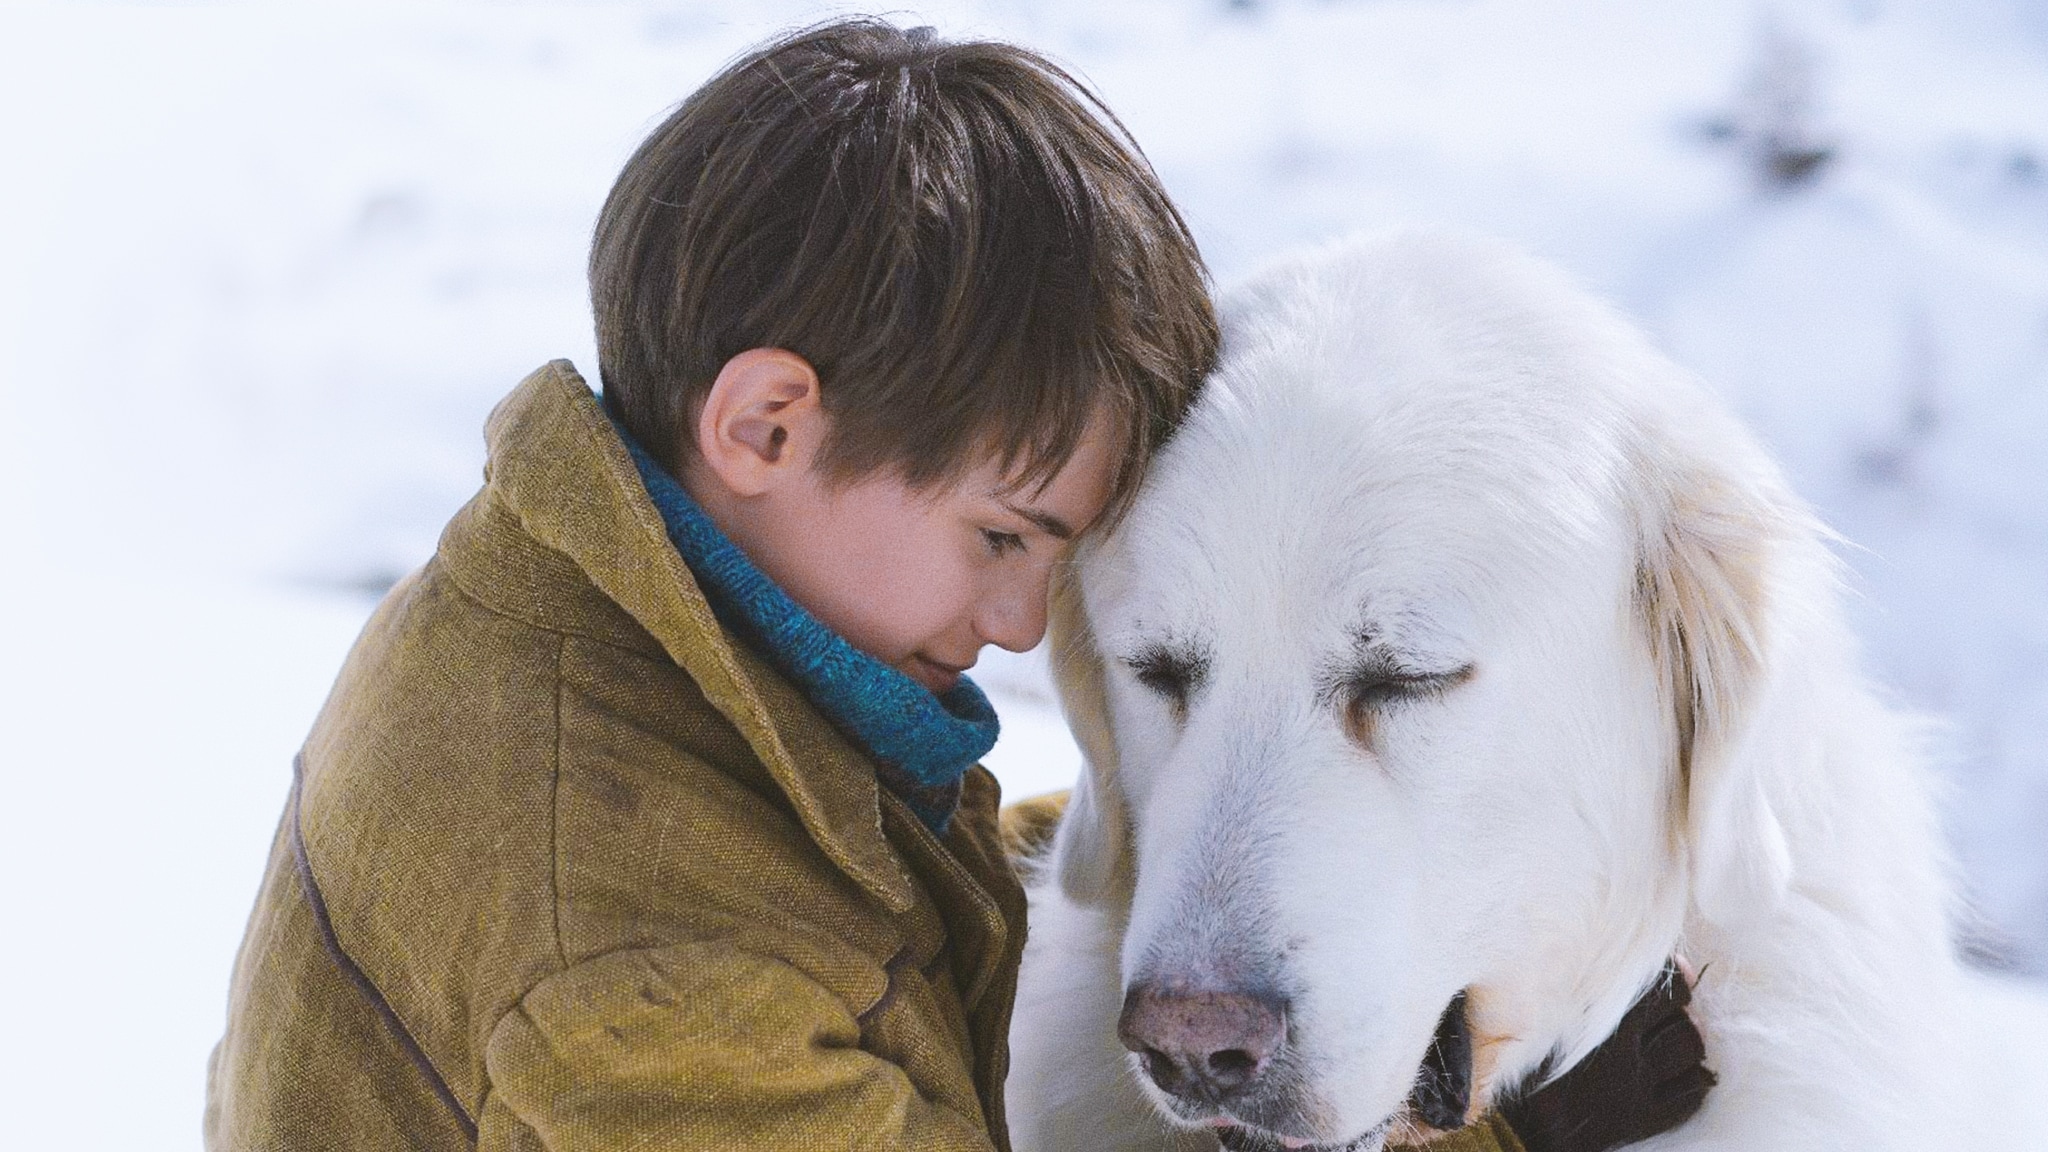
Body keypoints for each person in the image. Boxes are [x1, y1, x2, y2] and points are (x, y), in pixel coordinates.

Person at [204, 18, 1706, 1152]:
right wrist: (1502, 1132)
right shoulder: (649, 974)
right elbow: (725, 943)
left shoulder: (572, 607)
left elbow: (810, 880)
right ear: (767, 426)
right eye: (1003, 538)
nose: (1011, 627)